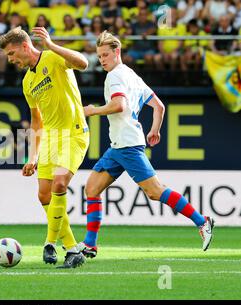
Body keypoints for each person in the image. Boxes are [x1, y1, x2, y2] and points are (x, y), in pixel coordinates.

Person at [77, 30, 215, 259]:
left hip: (128, 146)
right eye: (99, 55)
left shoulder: (115, 76)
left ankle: (203, 221)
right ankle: (90, 244)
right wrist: (155, 130)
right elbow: (159, 106)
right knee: (92, 188)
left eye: (105, 55)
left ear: (116, 52)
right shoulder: (131, 74)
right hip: (119, 146)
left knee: (155, 191)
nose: (101, 60)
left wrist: (92, 111)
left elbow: (119, 105)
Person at [0, 27, 90, 268]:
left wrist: (51, 45)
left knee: (60, 183)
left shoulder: (53, 57)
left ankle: (49, 243)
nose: (10, 60)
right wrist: (33, 156)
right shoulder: (28, 81)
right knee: (44, 194)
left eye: (11, 53)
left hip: (74, 132)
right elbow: (36, 121)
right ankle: (72, 249)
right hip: (50, 138)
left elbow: (83, 63)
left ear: (25, 46)